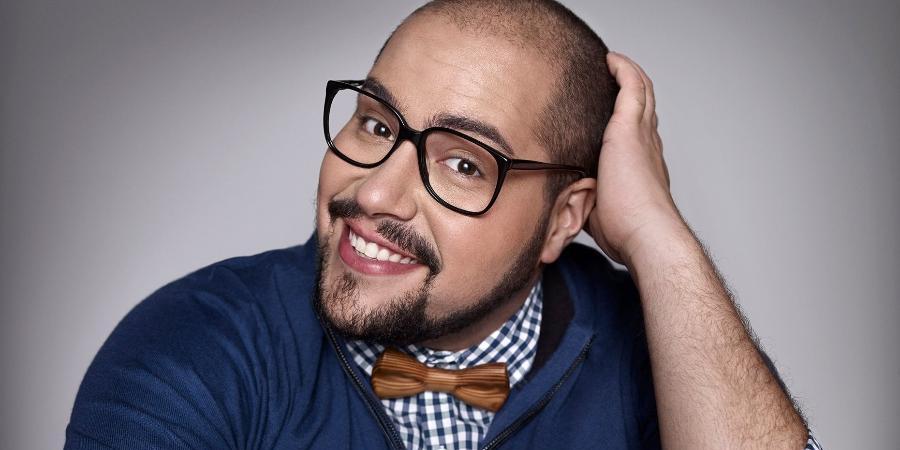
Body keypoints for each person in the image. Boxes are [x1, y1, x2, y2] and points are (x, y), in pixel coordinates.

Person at [65, 1, 822, 449]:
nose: (375, 191)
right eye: (374, 123)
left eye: (463, 163)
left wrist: (657, 234)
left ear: (563, 220)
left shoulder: (647, 354)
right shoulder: (196, 346)